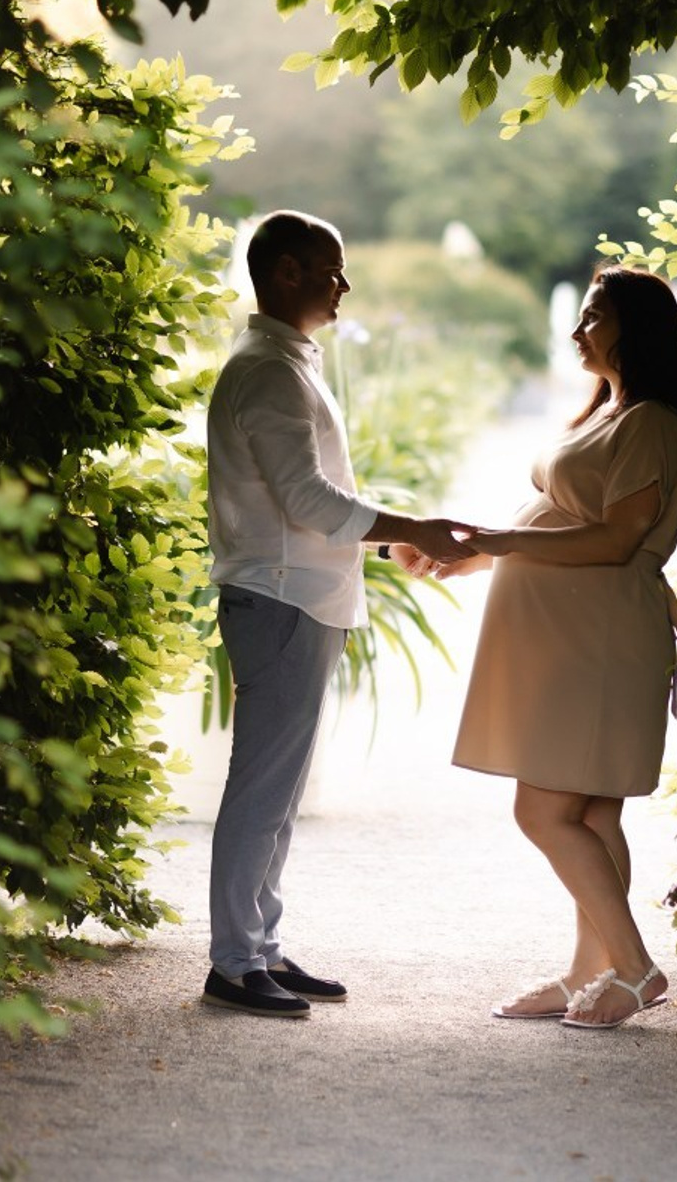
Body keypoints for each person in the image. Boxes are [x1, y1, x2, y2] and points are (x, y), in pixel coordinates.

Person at [202, 209, 473, 1019]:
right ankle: (233, 961)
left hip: (297, 596)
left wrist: (391, 545)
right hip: (282, 599)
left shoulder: (282, 362)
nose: (343, 284)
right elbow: (308, 500)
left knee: (277, 791)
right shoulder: (270, 370)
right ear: (286, 271)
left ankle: (259, 949)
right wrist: (411, 529)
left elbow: (303, 500)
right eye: (331, 269)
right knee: (262, 787)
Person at [439, 265, 677, 1029]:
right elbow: (563, 523)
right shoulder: (610, 413)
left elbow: (618, 538)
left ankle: (636, 967)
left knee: (545, 812)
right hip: (581, 636)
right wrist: (472, 554)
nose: (577, 330)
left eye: (593, 317)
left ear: (634, 329)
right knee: (591, 816)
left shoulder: (650, 421)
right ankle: (593, 972)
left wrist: (498, 539)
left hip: (604, 639)